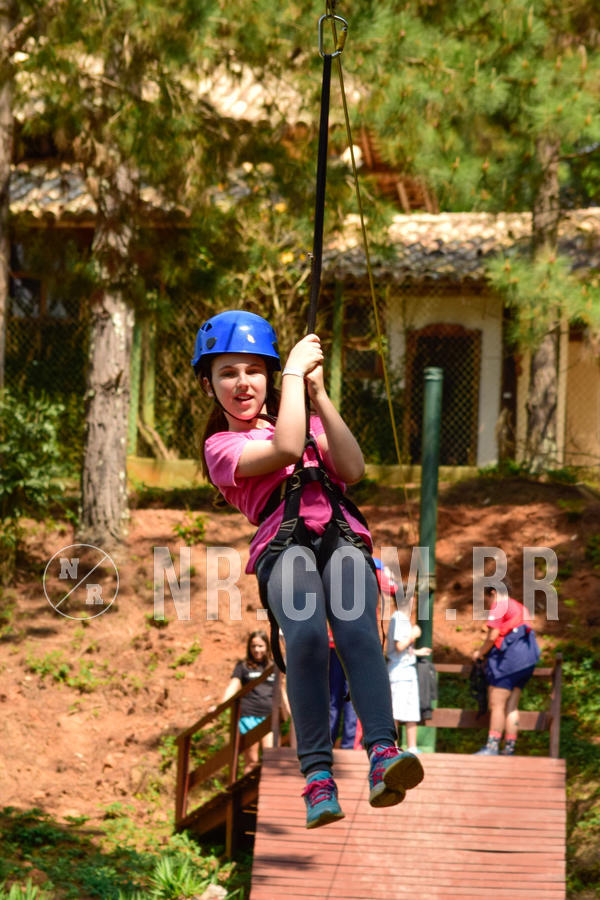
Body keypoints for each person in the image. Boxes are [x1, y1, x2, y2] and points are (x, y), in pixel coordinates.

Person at [193, 309, 424, 829]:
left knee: (360, 633)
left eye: (254, 370)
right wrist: (294, 375)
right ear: (209, 385)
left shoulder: (306, 414)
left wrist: (318, 393)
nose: (242, 382)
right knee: (306, 641)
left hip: (340, 535)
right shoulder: (221, 447)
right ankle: (318, 776)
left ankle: (383, 754)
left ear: (267, 376)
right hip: (285, 544)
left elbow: (354, 469)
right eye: (227, 373)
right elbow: (286, 448)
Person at [472, 578, 541, 756]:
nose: (488, 603)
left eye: (487, 598)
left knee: (497, 704)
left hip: (508, 662)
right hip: (527, 661)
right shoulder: (520, 607)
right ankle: (509, 748)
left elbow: (493, 635)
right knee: (512, 706)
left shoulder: (500, 605)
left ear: (493, 592)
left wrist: (479, 653)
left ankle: (492, 746)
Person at [220, 630, 285, 769]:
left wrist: (290, 712)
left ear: (267, 646)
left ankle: (270, 789)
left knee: (272, 758)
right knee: (252, 760)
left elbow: (282, 690)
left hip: (270, 717)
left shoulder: (274, 665)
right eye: (253, 646)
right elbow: (233, 687)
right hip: (248, 716)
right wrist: (220, 706)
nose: (256, 650)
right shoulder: (243, 666)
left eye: (260, 646)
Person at [386, 598, 432, 754]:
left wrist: (418, 652)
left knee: (412, 711)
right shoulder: (398, 618)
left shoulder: (404, 619)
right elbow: (399, 646)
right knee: (395, 712)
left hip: (408, 670)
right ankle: (394, 748)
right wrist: (413, 635)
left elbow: (404, 649)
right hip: (399, 672)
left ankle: (412, 747)